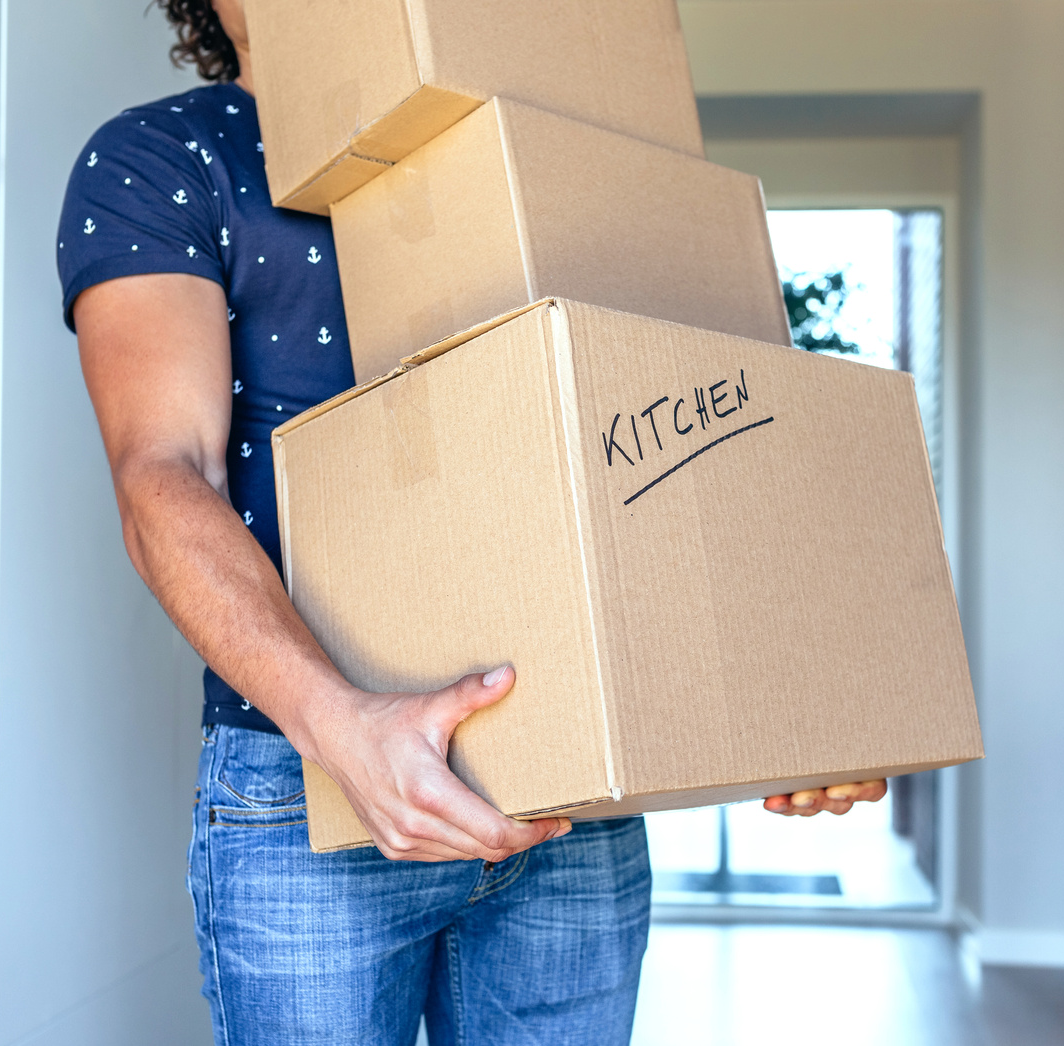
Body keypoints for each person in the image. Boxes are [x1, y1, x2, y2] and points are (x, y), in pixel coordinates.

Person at [57, 1, 888, 1042]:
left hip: (571, 786)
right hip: (308, 778)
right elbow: (161, 474)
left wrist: (793, 694)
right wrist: (342, 727)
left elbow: (670, 442)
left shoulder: (537, 144)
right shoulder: (169, 155)